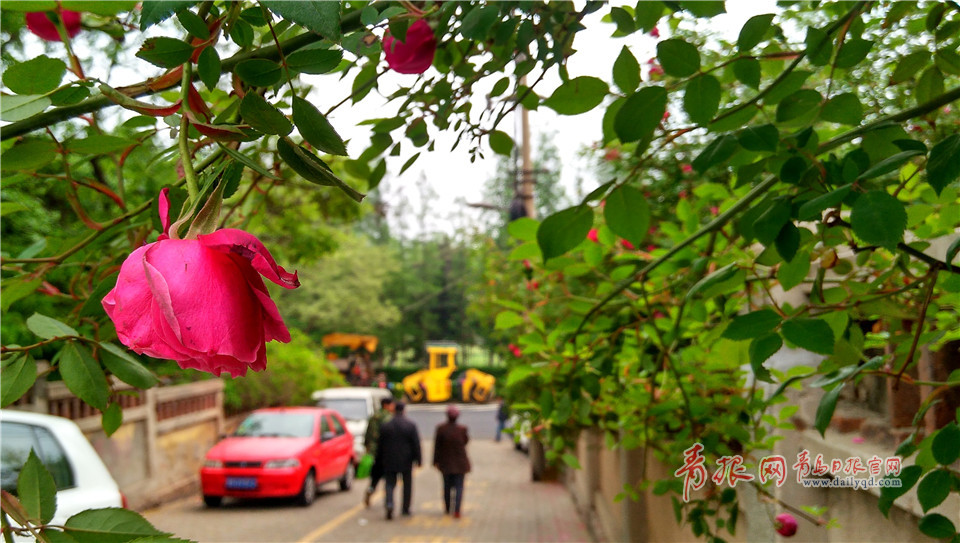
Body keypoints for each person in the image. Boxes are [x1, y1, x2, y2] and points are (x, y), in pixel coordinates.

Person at [376, 401, 421, 520]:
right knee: (407, 485)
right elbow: (416, 444)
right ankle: (405, 508)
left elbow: (380, 445)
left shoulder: (386, 425)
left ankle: (389, 503)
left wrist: (379, 460)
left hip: (389, 459)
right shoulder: (410, 425)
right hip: (406, 460)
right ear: (404, 410)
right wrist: (419, 460)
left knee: (389, 483)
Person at [433, 404, 471, 518]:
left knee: (447, 486)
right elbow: (465, 441)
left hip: (445, 463)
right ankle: (457, 510)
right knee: (459, 486)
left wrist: (435, 461)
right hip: (460, 463)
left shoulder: (441, 429)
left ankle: (447, 507)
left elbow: (437, 446)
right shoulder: (462, 429)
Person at [362, 396, 395, 507]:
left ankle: (370, 491)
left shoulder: (374, 417)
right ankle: (388, 500)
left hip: (375, 453)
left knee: (375, 477)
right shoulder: (390, 418)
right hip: (387, 453)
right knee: (389, 479)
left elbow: (368, 434)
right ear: (386, 405)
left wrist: (368, 448)